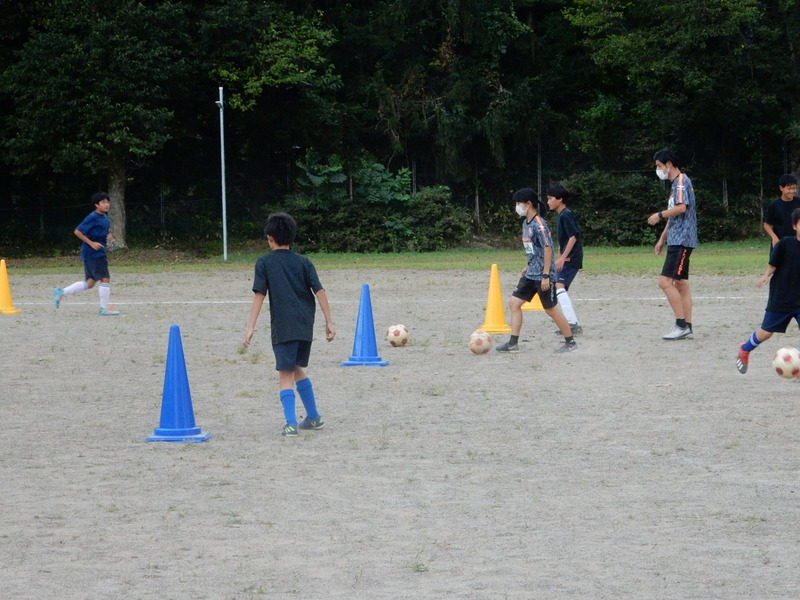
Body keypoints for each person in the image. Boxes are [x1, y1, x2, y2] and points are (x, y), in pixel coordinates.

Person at [242, 212, 336, 436]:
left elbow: (259, 295)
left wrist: (250, 327)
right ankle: (313, 417)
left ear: (269, 238)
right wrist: (329, 322)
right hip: (305, 325)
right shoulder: (304, 261)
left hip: (283, 326)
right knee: (296, 368)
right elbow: (319, 290)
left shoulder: (264, 262)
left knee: (285, 373)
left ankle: (291, 424)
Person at [495, 188, 577, 354]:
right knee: (514, 303)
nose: (517, 207)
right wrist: (528, 265)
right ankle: (513, 343)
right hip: (531, 274)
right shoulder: (526, 223)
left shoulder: (539, 224)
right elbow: (534, 249)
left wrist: (546, 275)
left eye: (519, 203)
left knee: (550, 309)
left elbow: (548, 249)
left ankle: (570, 341)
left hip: (542, 275)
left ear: (528, 204)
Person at [737, 207, 800, 374]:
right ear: (795, 226)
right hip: (782, 297)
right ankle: (745, 348)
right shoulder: (785, 243)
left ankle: (797, 364)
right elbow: (773, 264)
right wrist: (765, 276)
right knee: (766, 332)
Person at [647, 149, 697, 340]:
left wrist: (658, 215)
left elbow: (681, 208)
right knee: (681, 283)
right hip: (676, 238)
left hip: (682, 240)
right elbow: (675, 212)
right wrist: (662, 238)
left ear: (669, 164)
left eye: (659, 166)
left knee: (664, 282)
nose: (658, 170)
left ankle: (680, 324)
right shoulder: (676, 184)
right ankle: (688, 326)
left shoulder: (682, 181)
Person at [53, 192, 120, 315]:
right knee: (105, 278)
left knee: (90, 283)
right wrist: (92, 243)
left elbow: (100, 233)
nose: (107, 204)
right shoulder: (92, 217)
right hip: (93, 253)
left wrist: (108, 236)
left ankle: (61, 292)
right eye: (103, 202)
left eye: (107, 202)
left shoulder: (104, 218)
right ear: (96, 204)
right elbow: (78, 231)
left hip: (94, 253)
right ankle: (103, 309)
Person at [547, 183, 583, 335]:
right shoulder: (561, 215)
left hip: (571, 258)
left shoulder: (566, 215)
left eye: (550, 198)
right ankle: (571, 323)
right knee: (559, 287)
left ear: (560, 199)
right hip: (568, 257)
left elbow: (573, 237)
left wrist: (563, 257)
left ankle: (572, 324)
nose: (548, 202)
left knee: (559, 287)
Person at [763, 173, 800, 248]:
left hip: (796, 242)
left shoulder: (798, 202)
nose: (792, 191)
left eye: (794, 188)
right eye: (789, 189)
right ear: (781, 188)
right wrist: (774, 237)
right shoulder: (774, 205)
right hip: (780, 243)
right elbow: (767, 224)